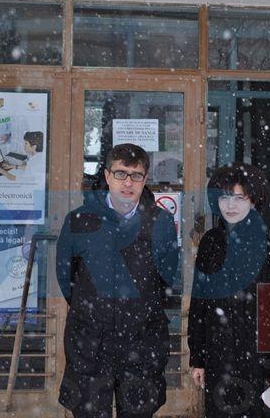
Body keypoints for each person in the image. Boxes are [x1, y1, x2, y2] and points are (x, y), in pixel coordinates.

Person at [56, 143, 179, 418]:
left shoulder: (160, 222)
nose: (128, 182)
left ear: (145, 179)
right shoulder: (79, 221)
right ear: (107, 175)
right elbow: (66, 278)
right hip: (91, 340)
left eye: (136, 175)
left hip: (141, 341)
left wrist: (138, 311)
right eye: (121, 173)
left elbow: (168, 278)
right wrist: (95, 309)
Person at [188, 164, 270, 417]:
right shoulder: (211, 243)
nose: (231, 205)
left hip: (261, 363)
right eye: (224, 197)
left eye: (239, 198)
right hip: (219, 358)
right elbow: (199, 306)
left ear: (254, 200)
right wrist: (198, 357)